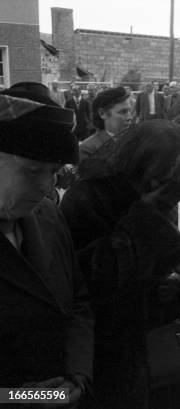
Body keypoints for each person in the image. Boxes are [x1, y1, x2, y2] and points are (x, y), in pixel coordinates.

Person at [60, 119, 180, 409]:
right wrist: (144, 218)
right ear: (143, 161)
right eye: (168, 171)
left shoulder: (160, 194)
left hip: (158, 347)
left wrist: (174, 285)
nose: (174, 181)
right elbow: (86, 278)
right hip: (109, 351)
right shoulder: (88, 197)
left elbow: (174, 254)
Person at [0, 82, 94, 407]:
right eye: (32, 170)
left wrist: (77, 375)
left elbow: (78, 301)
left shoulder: (49, 216)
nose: (46, 187)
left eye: (53, 171)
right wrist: (25, 397)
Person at [79, 86, 132, 162]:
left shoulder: (134, 141)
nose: (129, 117)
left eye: (129, 111)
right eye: (123, 112)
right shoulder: (88, 149)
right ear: (102, 113)